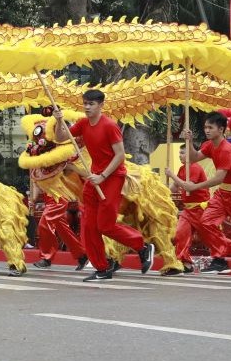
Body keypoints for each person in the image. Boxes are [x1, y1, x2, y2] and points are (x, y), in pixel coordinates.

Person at [53, 89, 155, 281]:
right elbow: (60, 138)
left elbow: (120, 155)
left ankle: (142, 246)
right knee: (89, 227)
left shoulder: (109, 126)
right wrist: (59, 121)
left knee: (105, 226)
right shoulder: (83, 123)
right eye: (85, 103)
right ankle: (102, 268)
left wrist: (103, 176)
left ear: (101, 105)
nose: (87, 107)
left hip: (112, 177)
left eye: (91, 104)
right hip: (94, 178)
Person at [174, 112, 231, 274]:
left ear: (221, 129)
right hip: (223, 193)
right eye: (205, 127)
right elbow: (194, 157)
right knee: (206, 223)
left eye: (210, 127)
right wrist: (189, 141)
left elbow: (219, 178)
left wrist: (194, 187)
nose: (207, 130)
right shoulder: (209, 145)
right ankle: (219, 260)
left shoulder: (227, 149)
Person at [30, 182, 87, 271]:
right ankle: (81, 256)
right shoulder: (35, 173)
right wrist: (33, 200)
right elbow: (36, 183)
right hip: (49, 199)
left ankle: (47, 258)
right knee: (63, 229)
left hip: (58, 197)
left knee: (44, 224)